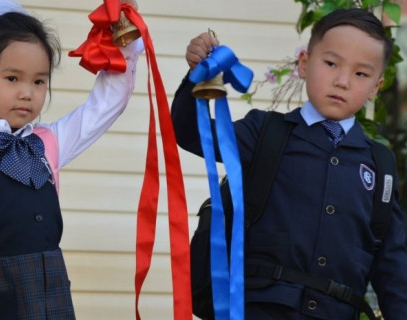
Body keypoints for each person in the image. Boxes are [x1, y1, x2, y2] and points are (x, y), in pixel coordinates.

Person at [171, 8, 407, 320]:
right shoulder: (265, 132)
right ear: (305, 64)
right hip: (258, 309)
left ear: (376, 87)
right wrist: (197, 77)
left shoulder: (380, 164)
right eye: (331, 63)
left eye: (361, 73)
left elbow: (393, 271)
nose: (342, 81)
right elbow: (189, 133)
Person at [0, 0, 143, 319]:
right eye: (12, 78)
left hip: (50, 301)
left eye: (38, 81)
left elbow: (105, 105)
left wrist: (124, 35)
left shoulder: (47, 144)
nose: (27, 93)